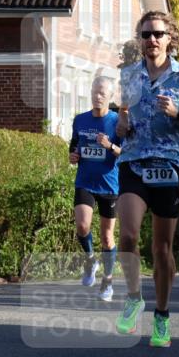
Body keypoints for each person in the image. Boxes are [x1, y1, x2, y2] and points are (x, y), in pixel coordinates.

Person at [114, 10, 179, 347]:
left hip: (168, 166)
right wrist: (121, 126)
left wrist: (177, 114)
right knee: (127, 235)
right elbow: (123, 118)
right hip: (134, 162)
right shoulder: (127, 76)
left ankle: (162, 315)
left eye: (158, 34)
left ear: (170, 39)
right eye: (146, 34)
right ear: (139, 40)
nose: (151, 40)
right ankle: (135, 296)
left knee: (161, 249)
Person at [69, 76, 122, 301]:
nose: (98, 96)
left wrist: (109, 145)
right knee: (82, 226)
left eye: (103, 93)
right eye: (95, 92)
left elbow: (126, 152)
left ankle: (107, 282)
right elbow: (74, 146)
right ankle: (91, 260)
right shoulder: (80, 120)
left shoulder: (118, 122)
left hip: (109, 184)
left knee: (107, 238)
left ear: (110, 97)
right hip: (85, 181)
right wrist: (73, 155)